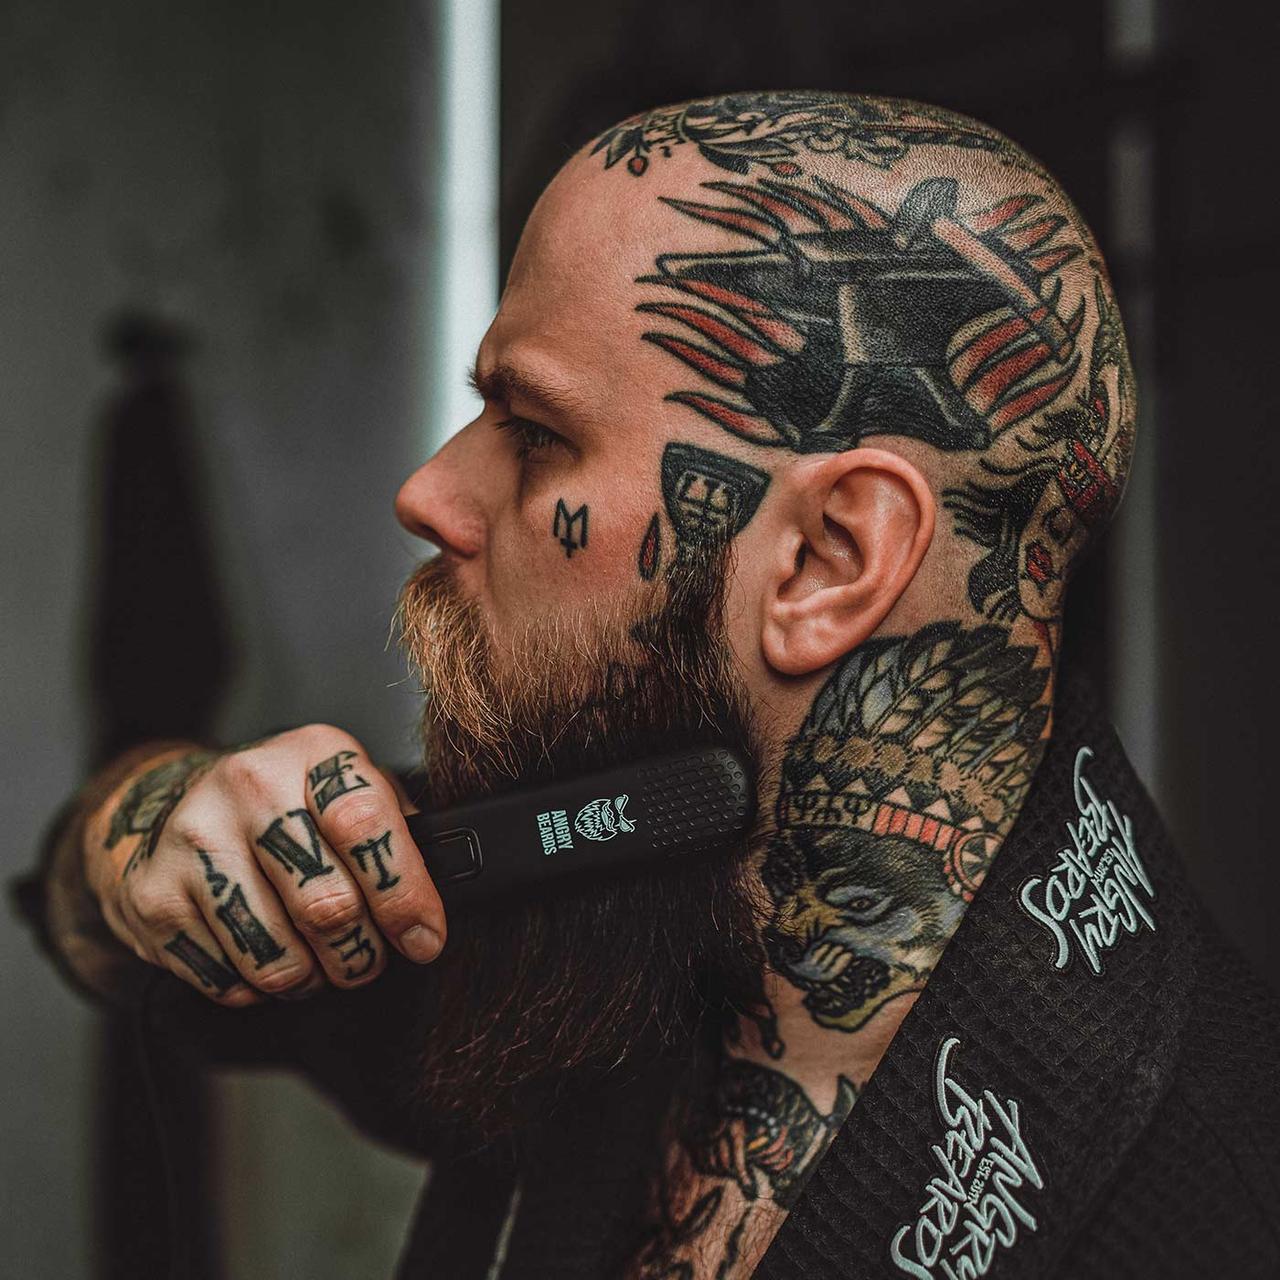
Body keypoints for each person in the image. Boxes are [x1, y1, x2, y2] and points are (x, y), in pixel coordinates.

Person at [18, 92, 1280, 1279]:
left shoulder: (1209, 1198)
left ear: (827, 559)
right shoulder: (575, 880)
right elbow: (75, 923)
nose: (427, 493)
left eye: (534, 432)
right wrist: (160, 829)